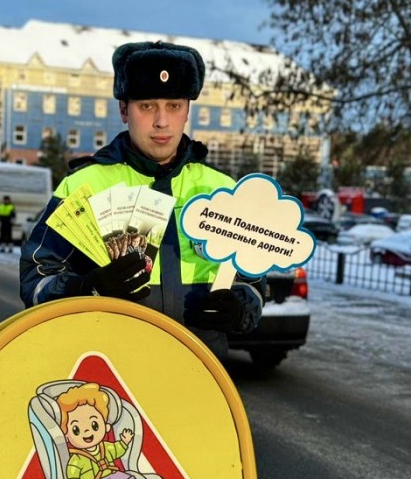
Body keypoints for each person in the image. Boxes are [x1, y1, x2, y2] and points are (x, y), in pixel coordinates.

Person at [19, 41, 263, 358]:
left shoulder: (221, 190)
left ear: (187, 110)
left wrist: (241, 306)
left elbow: (253, 280)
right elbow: (35, 279)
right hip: (110, 375)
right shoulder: (84, 185)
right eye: (147, 106)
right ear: (124, 110)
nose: (162, 121)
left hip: (200, 375)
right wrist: (87, 287)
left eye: (174, 106)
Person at [57, 382, 152, 479]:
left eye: (94, 425)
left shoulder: (105, 447)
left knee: (122, 477)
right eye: (76, 429)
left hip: (111, 473)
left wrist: (124, 442)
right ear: (67, 436)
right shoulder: (77, 457)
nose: (87, 432)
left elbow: (116, 450)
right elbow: (72, 469)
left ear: (106, 426)